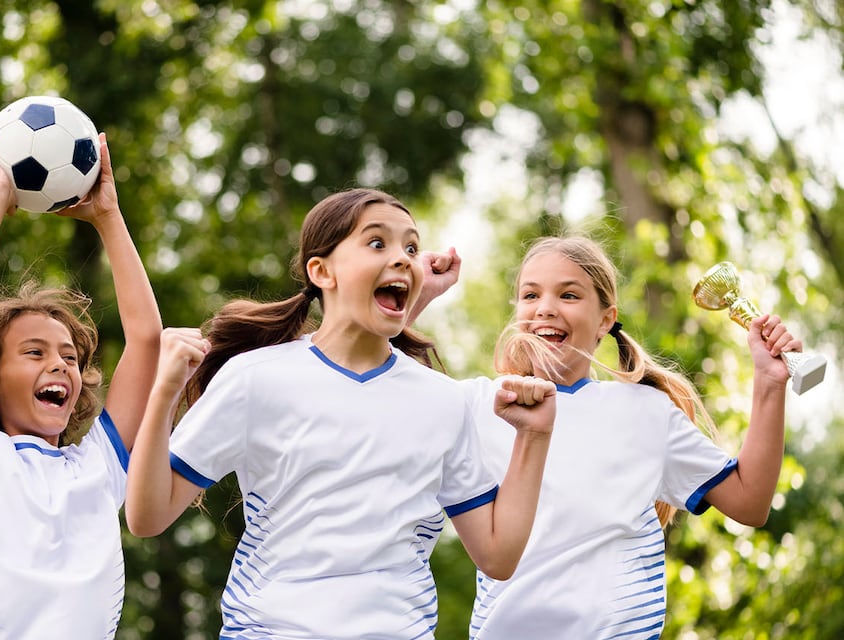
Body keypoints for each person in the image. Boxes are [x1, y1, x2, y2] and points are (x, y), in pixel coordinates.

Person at [125, 188, 556, 639]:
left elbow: (497, 556)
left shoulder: (443, 401)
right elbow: (147, 517)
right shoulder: (255, 378)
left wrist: (535, 436)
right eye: (377, 243)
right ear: (321, 270)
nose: (403, 258)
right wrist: (165, 391)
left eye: (411, 247)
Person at [414, 237, 804, 640]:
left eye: (568, 294)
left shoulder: (646, 411)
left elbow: (751, 502)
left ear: (605, 320)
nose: (545, 307)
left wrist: (769, 384)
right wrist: (417, 297)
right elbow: (376, 388)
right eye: (530, 294)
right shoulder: (477, 404)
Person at [0, 128, 169, 638]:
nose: (60, 365)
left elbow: (147, 338)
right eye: (34, 352)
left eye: (70, 357)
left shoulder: (97, 466)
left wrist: (108, 216)